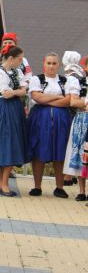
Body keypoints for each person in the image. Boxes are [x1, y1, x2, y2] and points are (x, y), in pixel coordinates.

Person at [27, 53, 76, 198]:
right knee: (39, 150)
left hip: (61, 119)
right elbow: (37, 97)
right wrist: (58, 97)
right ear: (44, 63)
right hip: (40, 119)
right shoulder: (37, 79)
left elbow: (68, 101)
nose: (51, 66)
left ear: (59, 65)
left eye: (54, 63)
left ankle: (59, 187)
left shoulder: (66, 80)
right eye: (49, 63)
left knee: (60, 150)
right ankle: (37, 186)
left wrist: (47, 100)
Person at [0, 45, 28, 197]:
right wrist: (18, 92)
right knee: (7, 143)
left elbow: (23, 91)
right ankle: (3, 184)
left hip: (15, 108)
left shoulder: (17, 72)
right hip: (5, 109)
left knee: (12, 142)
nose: (21, 62)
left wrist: (16, 92)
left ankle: (1, 183)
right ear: (11, 58)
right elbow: (6, 94)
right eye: (19, 59)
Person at [63, 52, 88, 200]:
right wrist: (85, 104)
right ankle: (81, 191)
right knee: (81, 154)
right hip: (82, 120)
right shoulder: (80, 82)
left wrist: (83, 104)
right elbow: (73, 101)